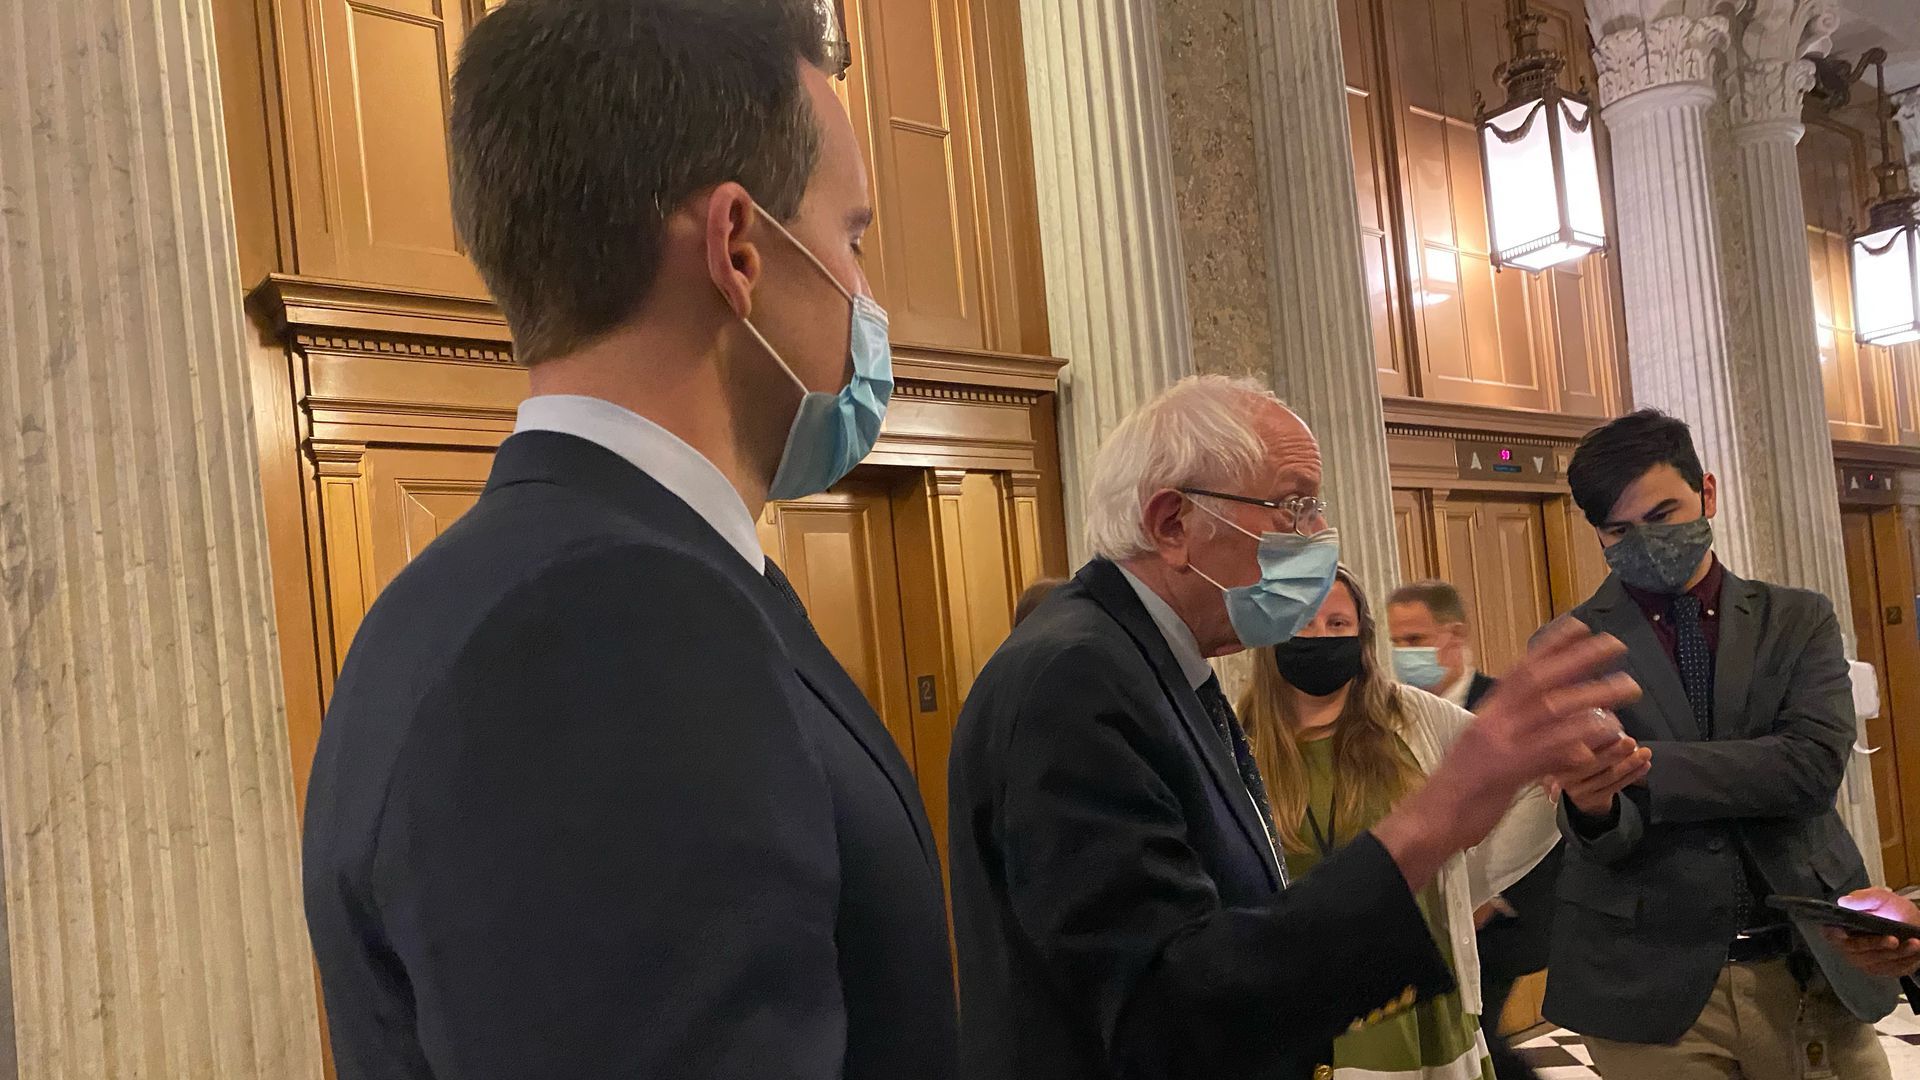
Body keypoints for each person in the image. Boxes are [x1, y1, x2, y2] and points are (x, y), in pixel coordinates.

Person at [300, 3, 956, 1078]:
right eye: (853, 239)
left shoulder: (494, 591)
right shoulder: (611, 630)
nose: (866, 297)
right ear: (739, 246)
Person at [946, 375, 1644, 1080]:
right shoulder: (1079, 677)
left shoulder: (1164, 664)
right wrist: (1431, 821)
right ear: (1172, 525)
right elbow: (1165, 1011)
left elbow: (1234, 936)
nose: (1320, 537)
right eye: (1294, 505)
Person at [1546, 409, 1899, 1079]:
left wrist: (1642, 770)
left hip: (1807, 964)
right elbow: (1603, 830)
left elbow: (1811, 770)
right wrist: (1594, 806)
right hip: (1650, 989)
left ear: (1707, 493)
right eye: (1619, 529)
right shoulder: (1567, 648)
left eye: (1662, 514)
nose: (1645, 540)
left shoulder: (1797, 619)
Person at [1241, 567, 1585, 1079]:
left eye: (1338, 624)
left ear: (1362, 634)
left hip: (1409, 1001)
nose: (1319, 638)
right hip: (1293, 997)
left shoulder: (1413, 716)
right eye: (1301, 624)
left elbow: (1534, 779)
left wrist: (1463, 889)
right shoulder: (1237, 738)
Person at [1389, 580, 1561, 1080]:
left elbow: (1542, 805)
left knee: (1475, 1033)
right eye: (1397, 642)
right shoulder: (1402, 714)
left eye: (1416, 639)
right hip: (1430, 912)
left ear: (1454, 635)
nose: (1404, 654)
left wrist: (1486, 891)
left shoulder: (1503, 705)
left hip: (1504, 919)